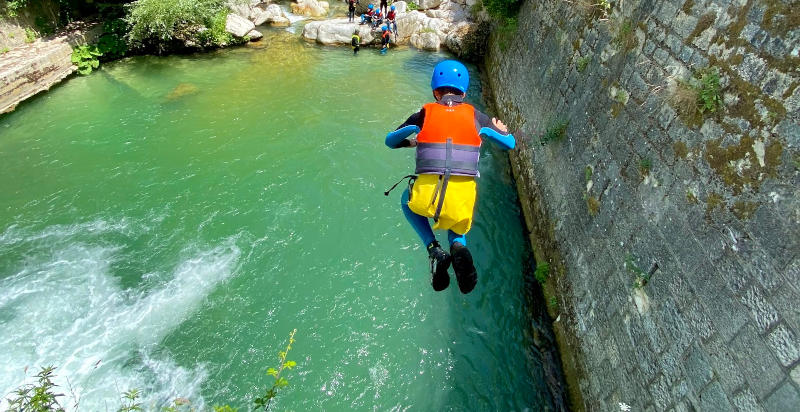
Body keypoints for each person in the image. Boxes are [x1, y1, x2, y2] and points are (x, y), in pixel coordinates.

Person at [384, 60, 515, 294]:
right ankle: (456, 245)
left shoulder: (423, 114)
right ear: (464, 92)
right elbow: (509, 144)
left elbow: (390, 141)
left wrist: (412, 139)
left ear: (435, 91)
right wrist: (502, 130)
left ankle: (433, 247)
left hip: (426, 199)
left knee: (406, 199)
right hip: (460, 201)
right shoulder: (477, 117)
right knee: (456, 222)